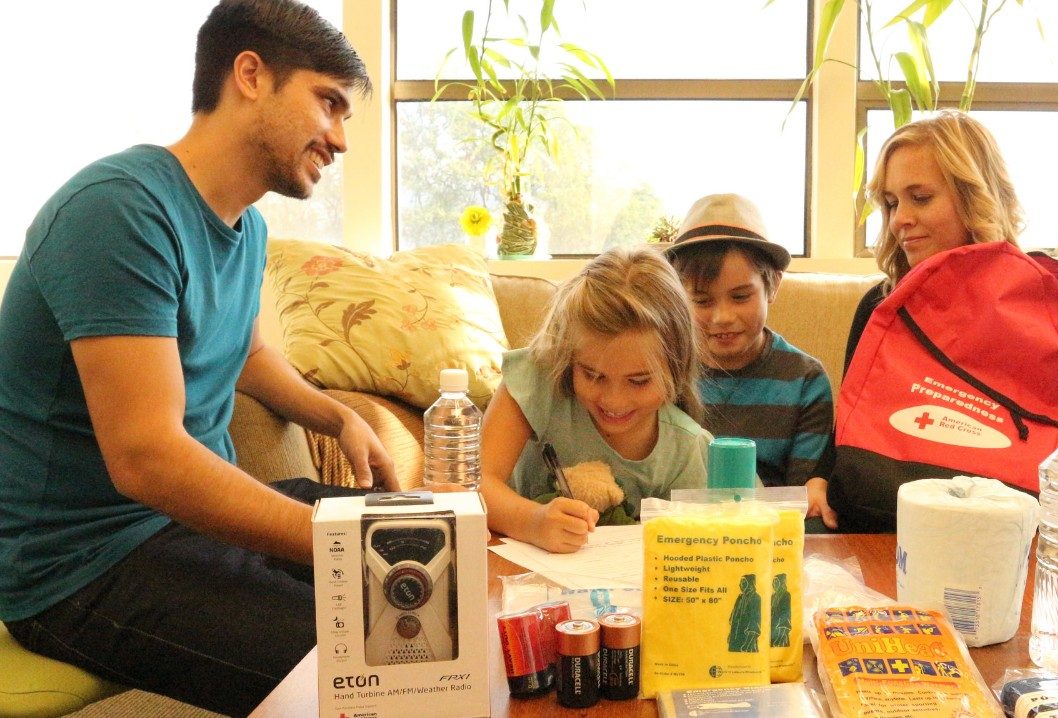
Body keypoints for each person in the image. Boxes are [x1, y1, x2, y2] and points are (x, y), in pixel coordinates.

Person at [0, 2, 398, 714]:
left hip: (184, 528)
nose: (340, 139)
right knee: (382, 651)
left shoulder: (244, 230)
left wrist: (338, 418)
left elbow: (241, 352)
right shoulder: (117, 211)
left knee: (426, 546)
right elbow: (147, 458)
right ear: (250, 74)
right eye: (328, 103)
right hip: (81, 564)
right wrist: (334, 545)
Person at [832, 110, 1058, 530]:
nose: (899, 219)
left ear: (974, 195)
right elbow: (851, 431)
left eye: (920, 198)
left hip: (1030, 542)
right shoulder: (882, 305)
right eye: (890, 203)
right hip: (885, 529)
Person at [479, 245, 712, 553]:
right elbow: (474, 482)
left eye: (639, 381)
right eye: (593, 375)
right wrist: (534, 521)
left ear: (677, 368)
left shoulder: (687, 450)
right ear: (568, 356)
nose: (614, 401)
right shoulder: (538, 381)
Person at [665, 193, 838, 530]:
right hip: (680, 535)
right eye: (701, 300)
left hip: (767, 536)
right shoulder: (665, 371)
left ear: (772, 285)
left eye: (741, 296)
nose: (722, 317)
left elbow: (801, 499)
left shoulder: (805, 381)